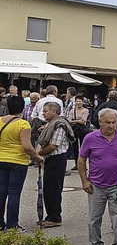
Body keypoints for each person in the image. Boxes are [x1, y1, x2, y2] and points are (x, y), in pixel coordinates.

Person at [79, 108, 117, 245]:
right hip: (96, 184)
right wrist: (84, 180)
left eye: (114, 122)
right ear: (100, 122)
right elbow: (81, 159)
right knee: (94, 218)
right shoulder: (90, 138)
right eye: (107, 122)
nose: (111, 126)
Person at [0, 96, 44, 231]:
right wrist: (37, 156)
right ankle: (12, 225)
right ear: (22, 108)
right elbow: (27, 146)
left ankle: (0, 223)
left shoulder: (0, 121)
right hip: (17, 161)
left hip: (1, 159)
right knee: (14, 193)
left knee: (1, 192)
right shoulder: (23, 124)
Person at [37, 102, 74, 228]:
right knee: (48, 188)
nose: (43, 113)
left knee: (53, 189)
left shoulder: (59, 125)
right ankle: (50, 216)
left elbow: (53, 145)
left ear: (54, 111)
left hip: (56, 159)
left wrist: (38, 154)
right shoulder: (51, 124)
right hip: (51, 159)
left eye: (46, 110)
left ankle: (55, 217)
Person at [67, 95, 90, 171]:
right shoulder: (72, 111)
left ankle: (84, 164)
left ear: (83, 102)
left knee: (83, 147)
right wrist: (78, 120)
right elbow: (69, 121)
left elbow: (83, 121)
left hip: (83, 131)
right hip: (74, 131)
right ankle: (76, 164)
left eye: (80, 101)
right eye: (77, 101)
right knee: (75, 148)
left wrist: (74, 120)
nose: (78, 102)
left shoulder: (85, 110)